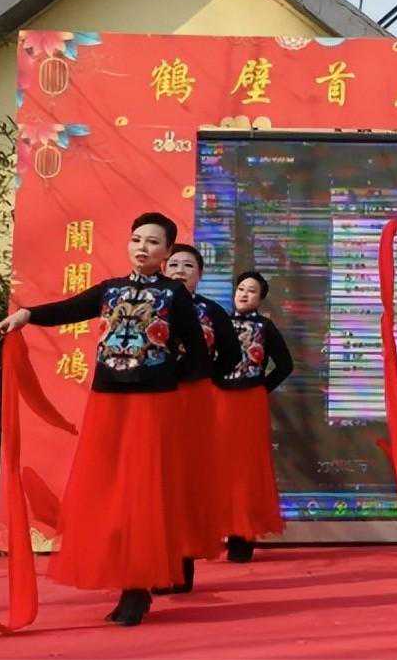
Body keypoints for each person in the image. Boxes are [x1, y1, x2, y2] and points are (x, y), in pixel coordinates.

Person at [0, 213, 208, 626]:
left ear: (166, 252)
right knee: (108, 491)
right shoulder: (110, 290)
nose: (143, 247)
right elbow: (69, 309)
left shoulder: (174, 295)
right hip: (108, 402)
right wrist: (26, 316)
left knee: (142, 493)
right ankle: (124, 580)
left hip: (152, 407)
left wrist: (163, 377)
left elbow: (198, 356)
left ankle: (137, 587)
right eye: (136, 239)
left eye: (153, 242)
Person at [158, 243, 243, 591]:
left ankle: (182, 565)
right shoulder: (152, 304)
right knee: (155, 480)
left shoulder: (210, 311)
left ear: (200, 274)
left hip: (193, 402)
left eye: (188, 266)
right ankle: (152, 565)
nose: (180, 270)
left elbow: (232, 353)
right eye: (174, 264)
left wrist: (205, 375)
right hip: (153, 398)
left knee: (186, 480)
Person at [220, 270, 293, 562]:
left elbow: (285, 365)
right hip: (217, 401)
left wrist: (261, 388)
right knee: (217, 465)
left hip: (249, 404)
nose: (244, 294)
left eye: (251, 290)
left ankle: (242, 537)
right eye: (241, 288)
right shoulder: (218, 321)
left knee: (246, 468)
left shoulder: (265, 327)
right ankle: (211, 532)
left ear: (261, 298)